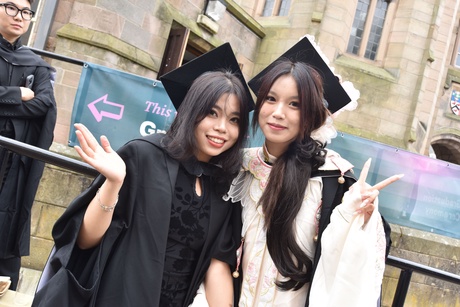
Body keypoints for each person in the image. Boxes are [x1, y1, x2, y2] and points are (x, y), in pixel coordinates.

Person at [32, 43, 253, 307]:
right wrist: (113, 183)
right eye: (212, 113)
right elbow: (85, 240)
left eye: (234, 120)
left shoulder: (224, 184)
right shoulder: (144, 156)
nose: (221, 128)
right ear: (191, 111)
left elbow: (217, 266)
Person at [225, 37, 403, 306]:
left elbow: (351, 261)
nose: (278, 113)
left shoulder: (334, 177)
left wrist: (361, 220)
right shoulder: (239, 167)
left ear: (311, 114)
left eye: (294, 104)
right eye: (271, 99)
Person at [0, 0, 57, 290]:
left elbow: (44, 103)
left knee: (8, 212)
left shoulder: (36, 64)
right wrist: (17, 93)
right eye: (11, 7)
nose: (20, 16)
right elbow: (31, 101)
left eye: (26, 12)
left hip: (14, 159)